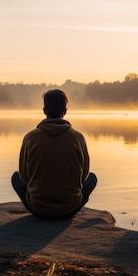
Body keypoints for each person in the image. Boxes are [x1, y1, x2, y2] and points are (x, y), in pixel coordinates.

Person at [11, 89, 97, 219]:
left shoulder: (30, 137)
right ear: (65, 111)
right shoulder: (78, 138)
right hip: (70, 208)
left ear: (44, 110)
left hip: (38, 208)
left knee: (15, 177)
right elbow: (83, 175)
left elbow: (24, 176)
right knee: (92, 178)